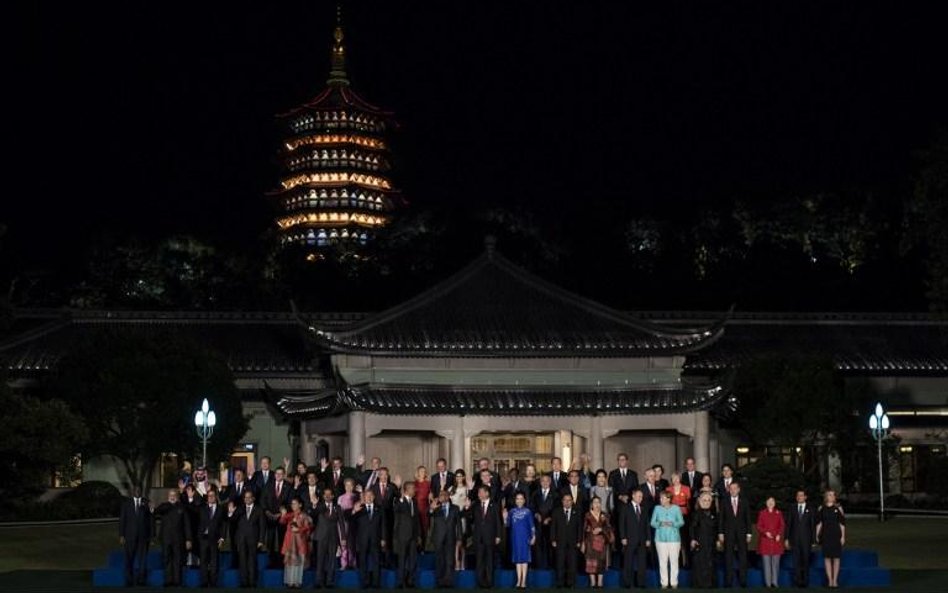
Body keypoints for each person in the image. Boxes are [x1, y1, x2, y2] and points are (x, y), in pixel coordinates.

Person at [153, 488, 192, 587]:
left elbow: (186, 524)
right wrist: (168, 504)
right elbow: (156, 511)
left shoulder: (182, 507)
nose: (172, 496)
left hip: (178, 539)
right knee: (166, 559)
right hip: (166, 538)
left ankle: (177, 581)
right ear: (168, 496)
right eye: (171, 495)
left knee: (177, 560)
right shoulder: (164, 506)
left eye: (174, 495)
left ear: (177, 496)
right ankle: (168, 580)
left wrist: (188, 539)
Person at [228, 489, 266, 588]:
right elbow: (232, 520)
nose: (247, 499)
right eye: (245, 497)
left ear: (253, 498)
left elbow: (262, 526)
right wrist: (231, 513)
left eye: (249, 497)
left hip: (253, 539)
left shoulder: (259, 509)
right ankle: (244, 582)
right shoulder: (240, 509)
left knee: (252, 561)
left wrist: (261, 540)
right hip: (241, 539)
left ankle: (252, 582)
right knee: (242, 561)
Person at [718, 480, 752, 588]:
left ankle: (743, 581)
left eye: (735, 488)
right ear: (729, 490)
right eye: (731, 488)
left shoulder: (745, 501)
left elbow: (748, 518)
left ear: (739, 489)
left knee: (743, 557)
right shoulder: (724, 501)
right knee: (728, 557)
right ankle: (728, 581)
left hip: (742, 533)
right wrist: (720, 532)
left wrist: (749, 533)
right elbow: (721, 519)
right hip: (728, 533)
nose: (733, 490)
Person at [470, 484, 503, 588]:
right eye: (478, 492)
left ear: (487, 493)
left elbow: (498, 521)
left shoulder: (495, 505)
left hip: (490, 536)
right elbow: (469, 518)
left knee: (490, 561)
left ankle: (489, 582)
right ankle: (480, 582)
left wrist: (498, 536)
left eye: (481, 492)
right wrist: (467, 508)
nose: (479, 494)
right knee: (479, 561)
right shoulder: (475, 505)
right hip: (478, 537)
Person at [118, 485, 152, 587]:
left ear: (141, 491)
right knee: (129, 559)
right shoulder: (126, 504)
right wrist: (121, 535)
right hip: (129, 536)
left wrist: (151, 535)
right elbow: (122, 520)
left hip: (143, 536)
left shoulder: (146, 502)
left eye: (139, 490)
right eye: (135, 490)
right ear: (133, 491)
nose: (137, 491)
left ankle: (141, 580)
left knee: (142, 559)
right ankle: (129, 580)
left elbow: (151, 519)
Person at [352, 489, 386, 589]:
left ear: (374, 497)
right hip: (362, 540)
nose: (369, 497)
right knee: (362, 561)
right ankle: (365, 582)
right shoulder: (359, 508)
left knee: (376, 561)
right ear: (364, 497)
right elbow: (352, 523)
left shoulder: (379, 509)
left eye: (371, 495)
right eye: (367, 496)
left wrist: (383, 538)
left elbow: (383, 524)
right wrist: (354, 511)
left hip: (376, 539)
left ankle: (376, 583)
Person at [651, 491, 684, 589]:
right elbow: (652, 522)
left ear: (669, 499)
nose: (660, 500)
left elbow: (681, 522)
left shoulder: (676, 508)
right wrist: (660, 524)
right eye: (660, 498)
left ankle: (674, 583)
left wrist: (672, 523)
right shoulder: (657, 508)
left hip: (674, 539)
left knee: (674, 561)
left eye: (663, 498)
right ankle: (664, 583)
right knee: (662, 561)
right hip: (660, 539)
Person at [619, 489, 651, 589]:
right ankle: (628, 582)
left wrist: (648, 538)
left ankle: (641, 583)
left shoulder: (644, 508)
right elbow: (621, 524)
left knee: (642, 562)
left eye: (641, 497)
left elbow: (647, 525)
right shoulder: (625, 507)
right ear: (633, 496)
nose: (640, 498)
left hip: (642, 539)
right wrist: (623, 537)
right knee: (628, 561)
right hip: (629, 539)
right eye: (638, 496)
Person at [279, 497, 313, 589]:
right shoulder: (290, 515)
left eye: (295, 503)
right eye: (292, 504)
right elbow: (282, 521)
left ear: (300, 505)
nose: (293, 505)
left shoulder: (304, 516)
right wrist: (283, 514)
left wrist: (299, 529)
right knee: (289, 562)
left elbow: (309, 527)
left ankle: (297, 582)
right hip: (289, 541)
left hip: (300, 542)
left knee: (298, 563)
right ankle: (290, 582)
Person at [431, 489, 462, 588]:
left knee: (449, 560)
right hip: (438, 538)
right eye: (440, 495)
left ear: (448, 497)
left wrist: (459, 538)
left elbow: (459, 524)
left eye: (444, 495)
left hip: (451, 537)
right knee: (439, 560)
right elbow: (429, 515)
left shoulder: (455, 508)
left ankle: (448, 581)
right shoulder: (436, 508)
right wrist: (432, 509)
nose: (442, 497)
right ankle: (439, 581)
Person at [312, 486, 343, 588]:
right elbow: (314, 514)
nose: (328, 496)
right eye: (326, 494)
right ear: (323, 496)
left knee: (332, 560)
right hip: (321, 537)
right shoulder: (320, 506)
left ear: (333, 496)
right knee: (320, 560)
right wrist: (315, 504)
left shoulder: (337, 507)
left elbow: (341, 524)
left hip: (333, 537)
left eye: (330, 494)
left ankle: (329, 581)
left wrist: (343, 538)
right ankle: (318, 581)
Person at [196, 488, 227, 588]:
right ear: (207, 498)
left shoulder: (221, 509)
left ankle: (213, 582)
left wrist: (222, 538)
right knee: (203, 561)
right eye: (209, 496)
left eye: (213, 495)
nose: (211, 497)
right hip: (203, 539)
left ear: (216, 497)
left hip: (215, 539)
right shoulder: (202, 509)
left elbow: (223, 524)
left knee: (214, 561)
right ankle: (204, 582)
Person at [786, 489, 817, 588]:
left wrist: (813, 540)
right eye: (798, 495)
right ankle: (797, 581)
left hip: (806, 540)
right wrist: (786, 538)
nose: (799, 497)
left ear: (805, 497)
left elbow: (813, 525)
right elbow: (789, 524)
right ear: (796, 497)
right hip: (794, 539)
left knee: (806, 561)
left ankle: (806, 581)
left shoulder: (811, 509)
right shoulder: (792, 508)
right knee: (796, 561)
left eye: (801, 495)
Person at [551, 492, 583, 588]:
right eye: (565, 500)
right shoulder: (556, 512)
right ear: (562, 501)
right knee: (560, 563)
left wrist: (579, 541)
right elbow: (553, 527)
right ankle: (560, 583)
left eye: (569, 500)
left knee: (572, 564)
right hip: (560, 542)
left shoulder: (577, 512)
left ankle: (571, 583)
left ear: (572, 501)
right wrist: (553, 539)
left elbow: (579, 527)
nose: (567, 502)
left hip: (573, 543)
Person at [393, 481, 422, 588]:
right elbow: (396, 511)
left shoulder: (414, 501)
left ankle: (410, 580)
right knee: (402, 559)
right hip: (403, 535)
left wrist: (418, 535)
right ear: (407, 489)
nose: (415, 490)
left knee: (413, 559)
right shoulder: (399, 501)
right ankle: (400, 581)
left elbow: (416, 519)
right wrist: (400, 499)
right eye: (413, 488)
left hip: (413, 536)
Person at [505, 491, 535, 589]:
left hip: (525, 538)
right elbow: (508, 524)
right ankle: (518, 581)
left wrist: (533, 536)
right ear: (515, 500)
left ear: (524, 500)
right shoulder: (511, 511)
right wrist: (504, 517)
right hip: (515, 538)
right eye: (517, 498)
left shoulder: (528, 511)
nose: (519, 500)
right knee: (518, 560)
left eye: (521, 498)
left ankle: (524, 581)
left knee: (524, 559)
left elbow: (532, 526)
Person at [816, 490, 846, 589]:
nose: (831, 496)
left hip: (836, 535)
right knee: (827, 558)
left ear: (835, 497)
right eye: (829, 494)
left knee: (836, 558)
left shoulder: (839, 508)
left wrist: (843, 537)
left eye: (832, 495)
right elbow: (819, 523)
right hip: (826, 535)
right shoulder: (821, 508)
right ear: (826, 497)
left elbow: (842, 524)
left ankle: (835, 580)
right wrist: (816, 535)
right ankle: (830, 581)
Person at [689, 492, 717, 589]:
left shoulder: (714, 514)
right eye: (704, 500)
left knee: (710, 563)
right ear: (700, 501)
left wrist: (717, 540)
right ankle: (699, 584)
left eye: (709, 500)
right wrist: (693, 539)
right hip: (699, 542)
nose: (706, 502)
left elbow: (716, 529)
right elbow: (692, 527)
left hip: (711, 543)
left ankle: (710, 584)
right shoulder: (696, 514)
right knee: (699, 564)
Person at [756, 496, 785, 588]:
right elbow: (759, 526)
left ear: (775, 503)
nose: (771, 503)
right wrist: (765, 533)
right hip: (765, 542)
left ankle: (775, 582)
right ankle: (768, 583)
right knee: (766, 564)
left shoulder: (778, 513)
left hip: (776, 542)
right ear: (766, 503)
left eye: (772, 501)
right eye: (769, 501)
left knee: (775, 563)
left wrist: (779, 535)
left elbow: (782, 525)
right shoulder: (762, 513)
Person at [584, 496, 613, 588]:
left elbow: (609, 528)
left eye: (598, 502)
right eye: (595, 502)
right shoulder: (587, 515)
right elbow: (584, 528)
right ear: (592, 504)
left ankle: (600, 582)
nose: (597, 504)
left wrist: (601, 529)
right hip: (590, 541)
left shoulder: (605, 515)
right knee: (590, 561)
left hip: (602, 542)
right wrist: (589, 530)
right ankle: (593, 582)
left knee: (601, 561)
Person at [608, 453, 638, 540]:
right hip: (618, 505)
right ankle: (618, 551)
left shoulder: (633, 474)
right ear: (617, 461)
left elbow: (636, 488)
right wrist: (620, 496)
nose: (621, 461)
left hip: (630, 504)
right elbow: (611, 488)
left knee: (630, 527)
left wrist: (628, 497)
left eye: (623, 459)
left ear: (627, 461)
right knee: (618, 527)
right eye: (619, 459)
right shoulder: (613, 474)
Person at [666, 473, 691, 567]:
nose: (676, 480)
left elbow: (689, 503)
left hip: (684, 515)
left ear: (680, 479)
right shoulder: (668, 489)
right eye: (673, 478)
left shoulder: (686, 488)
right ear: (671, 480)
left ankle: (688, 562)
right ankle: (678, 563)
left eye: (677, 478)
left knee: (685, 539)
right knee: (675, 540)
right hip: (672, 517)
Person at [450, 469, 471, 570]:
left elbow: (468, 504)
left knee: (461, 541)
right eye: (457, 476)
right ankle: (456, 562)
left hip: (462, 517)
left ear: (463, 477)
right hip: (452, 518)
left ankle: (462, 562)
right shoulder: (451, 489)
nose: (458, 478)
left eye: (460, 476)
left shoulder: (467, 489)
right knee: (454, 541)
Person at [337, 477, 359, 570]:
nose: (349, 487)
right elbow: (339, 513)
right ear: (344, 486)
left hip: (354, 523)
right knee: (343, 543)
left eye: (351, 485)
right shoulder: (340, 498)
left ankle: (353, 563)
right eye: (347, 485)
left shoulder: (356, 497)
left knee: (353, 543)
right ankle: (344, 564)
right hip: (343, 523)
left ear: (353, 486)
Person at [182, 482, 203, 567]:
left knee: (196, 550)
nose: (187, 491)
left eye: (189, 490)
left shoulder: (198, 502)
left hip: (195, 530)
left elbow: (196, 511)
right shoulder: (183, 502)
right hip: (185, 531)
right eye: (186, 490)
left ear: (193, 492)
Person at [414, 466, 432, 543]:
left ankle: (423, 547)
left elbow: (431, 495)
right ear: (417, 473)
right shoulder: (414, 483)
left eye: (424, 471)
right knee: (415, 527)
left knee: (424, 527)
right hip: (415, 507)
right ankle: (416, 546)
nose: (422, 473)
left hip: (425, 508)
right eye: (421, 471)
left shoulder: (428, 484)